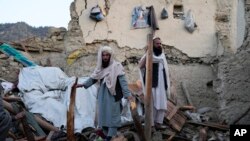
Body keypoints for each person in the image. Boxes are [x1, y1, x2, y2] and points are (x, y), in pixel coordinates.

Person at [77, 46, 134, 141]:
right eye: (103, 55)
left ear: (111, 56)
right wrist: (83, 85)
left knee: (113, 116)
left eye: (107, 55)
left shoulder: (117, 66)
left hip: (114, 94)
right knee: (103, 116)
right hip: (103, 94)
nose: (105, 57)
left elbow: (123, 82)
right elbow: (93, 78)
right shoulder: (100, 67)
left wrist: (128, 95)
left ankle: (110, 137)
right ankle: (104, 135)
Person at [139, 37, 170, 130]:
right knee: (151, 104)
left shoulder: (162, 55)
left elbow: (166, 70)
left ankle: (158, 123)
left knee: (161, 103)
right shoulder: (148, 55)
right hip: (152, 84)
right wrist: (148, 54)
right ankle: (151, 124)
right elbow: (140, 65)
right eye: (157, 43)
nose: (159, 45)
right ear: (152, 45)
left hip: (161, 85)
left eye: (160, 43)